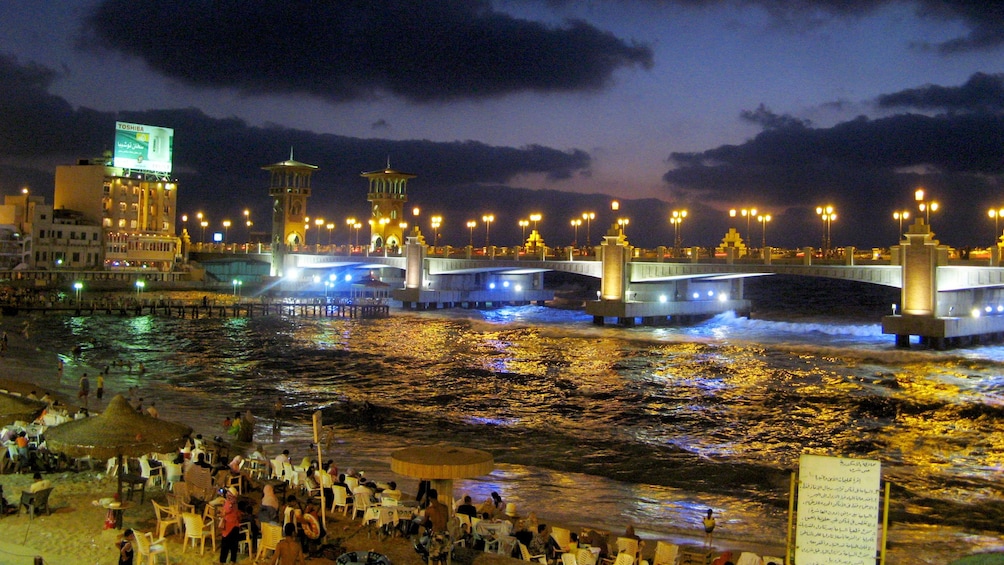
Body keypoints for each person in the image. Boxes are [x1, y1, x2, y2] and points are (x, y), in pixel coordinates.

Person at [219, 486, 242, 563]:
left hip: (229, 527)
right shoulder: (235, 503)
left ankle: (222, 561)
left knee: (225, 546)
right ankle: (233, 560)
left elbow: (225, 511)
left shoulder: (230, 503)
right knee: (233, 546)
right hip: (235, 526)